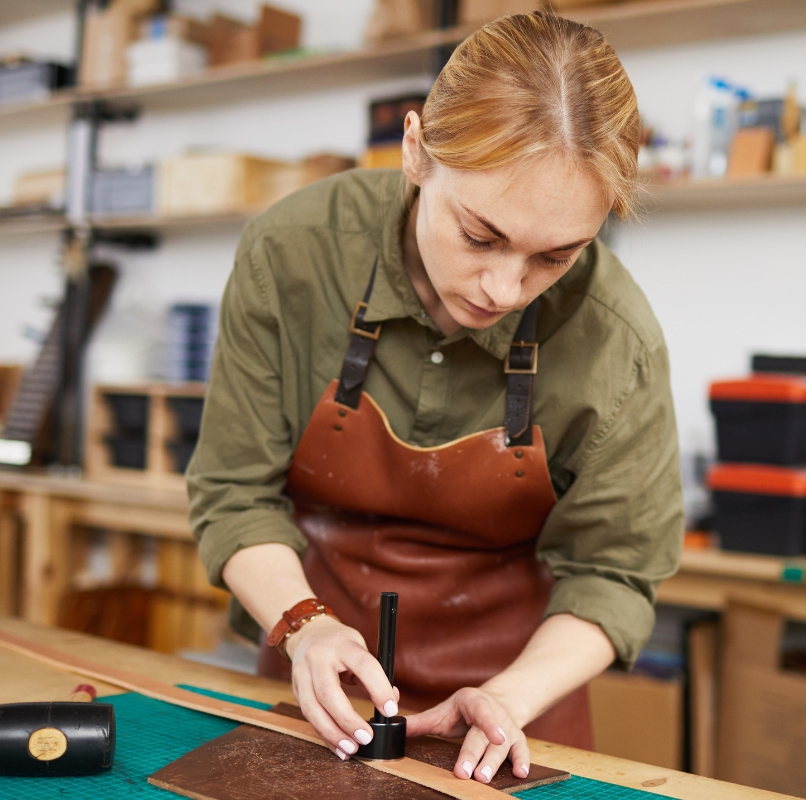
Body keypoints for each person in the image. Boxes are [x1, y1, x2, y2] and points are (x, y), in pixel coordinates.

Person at [187, 10, 683, 786]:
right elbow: (231, 493)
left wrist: (509, 698)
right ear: (416, 151)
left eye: (554, 256)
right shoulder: (293, 253)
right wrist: (305, 626)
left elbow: (615, 575)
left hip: (512, 708)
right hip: (317, 678)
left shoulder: (618, 339)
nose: (503, 287)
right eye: (480, 235)